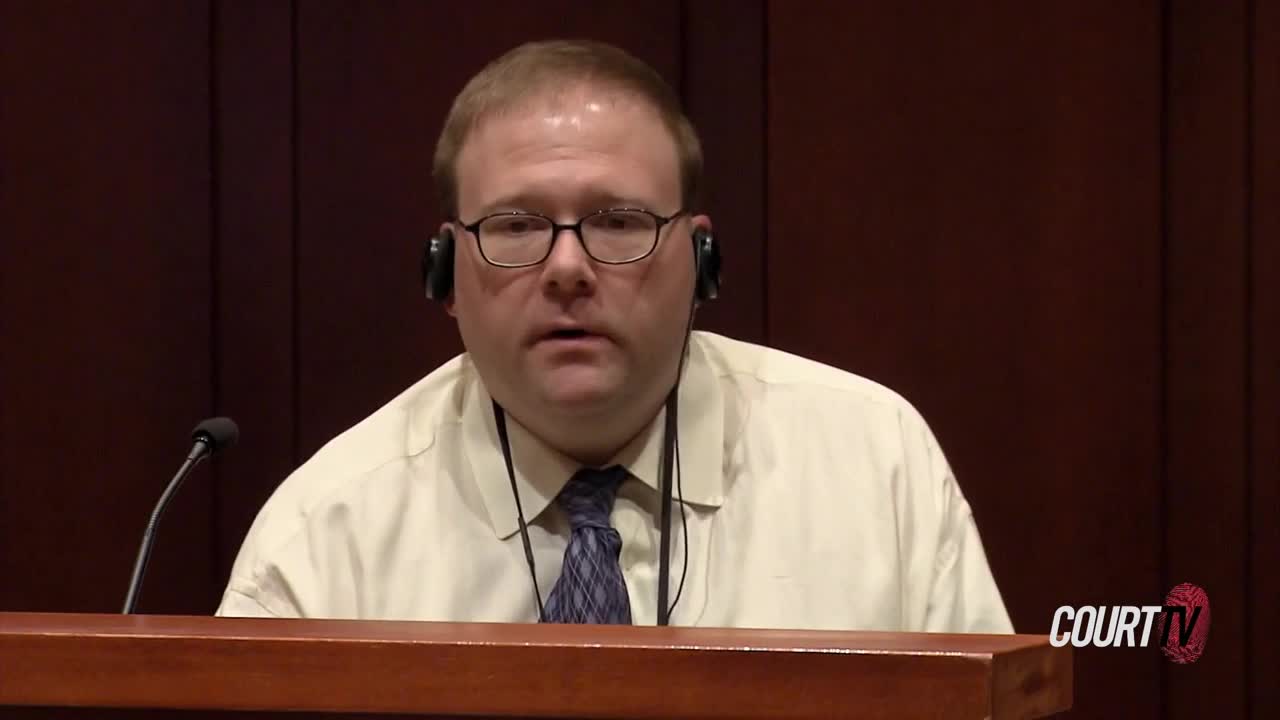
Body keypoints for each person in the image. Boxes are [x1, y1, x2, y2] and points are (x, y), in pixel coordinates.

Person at [216, 39, 1014, 633]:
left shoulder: (875, 468)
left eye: (619, 221)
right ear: (445, 274)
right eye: (517, 225)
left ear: (701, 262)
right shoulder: (325, 536)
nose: (568, 268)